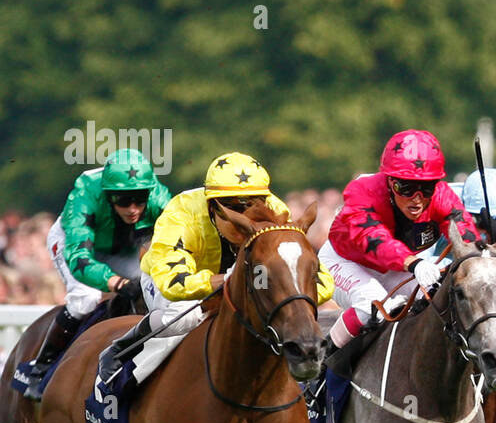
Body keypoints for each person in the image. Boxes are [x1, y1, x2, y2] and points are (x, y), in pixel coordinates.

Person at [97, 152, 333, 382]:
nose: (246, 216)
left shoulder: (275, 211)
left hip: (242, 281)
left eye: (253, 203)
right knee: (182, 318)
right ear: (213, 207)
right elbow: (173, 284)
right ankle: (123, 349)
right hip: (169, 279)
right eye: (234, 208)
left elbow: (321, 284)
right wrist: (227, 283)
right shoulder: (181, 214)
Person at [23, 149, 170, 399]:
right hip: (75, 243)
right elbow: (80, 259)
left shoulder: (158, 196)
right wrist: (115, 282)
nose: (133, 209)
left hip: (124, 244)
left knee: (154, 289)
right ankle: (41, 368)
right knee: (85, 299)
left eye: (139, 200)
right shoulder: (85, 195)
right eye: (124, 201)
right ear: (109, 195)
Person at [320, 129, 480, 353]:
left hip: (396, 267)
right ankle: (323, 364)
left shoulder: (441, 195)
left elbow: (465, 232)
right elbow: (375, 240)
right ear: (389, 181)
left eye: (426, 188)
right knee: (372, 305)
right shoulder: (363, 192)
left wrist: (478, 258)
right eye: (404, 187)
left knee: (436, 301)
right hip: (345, 262)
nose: (416, 199)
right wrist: (414, 263)